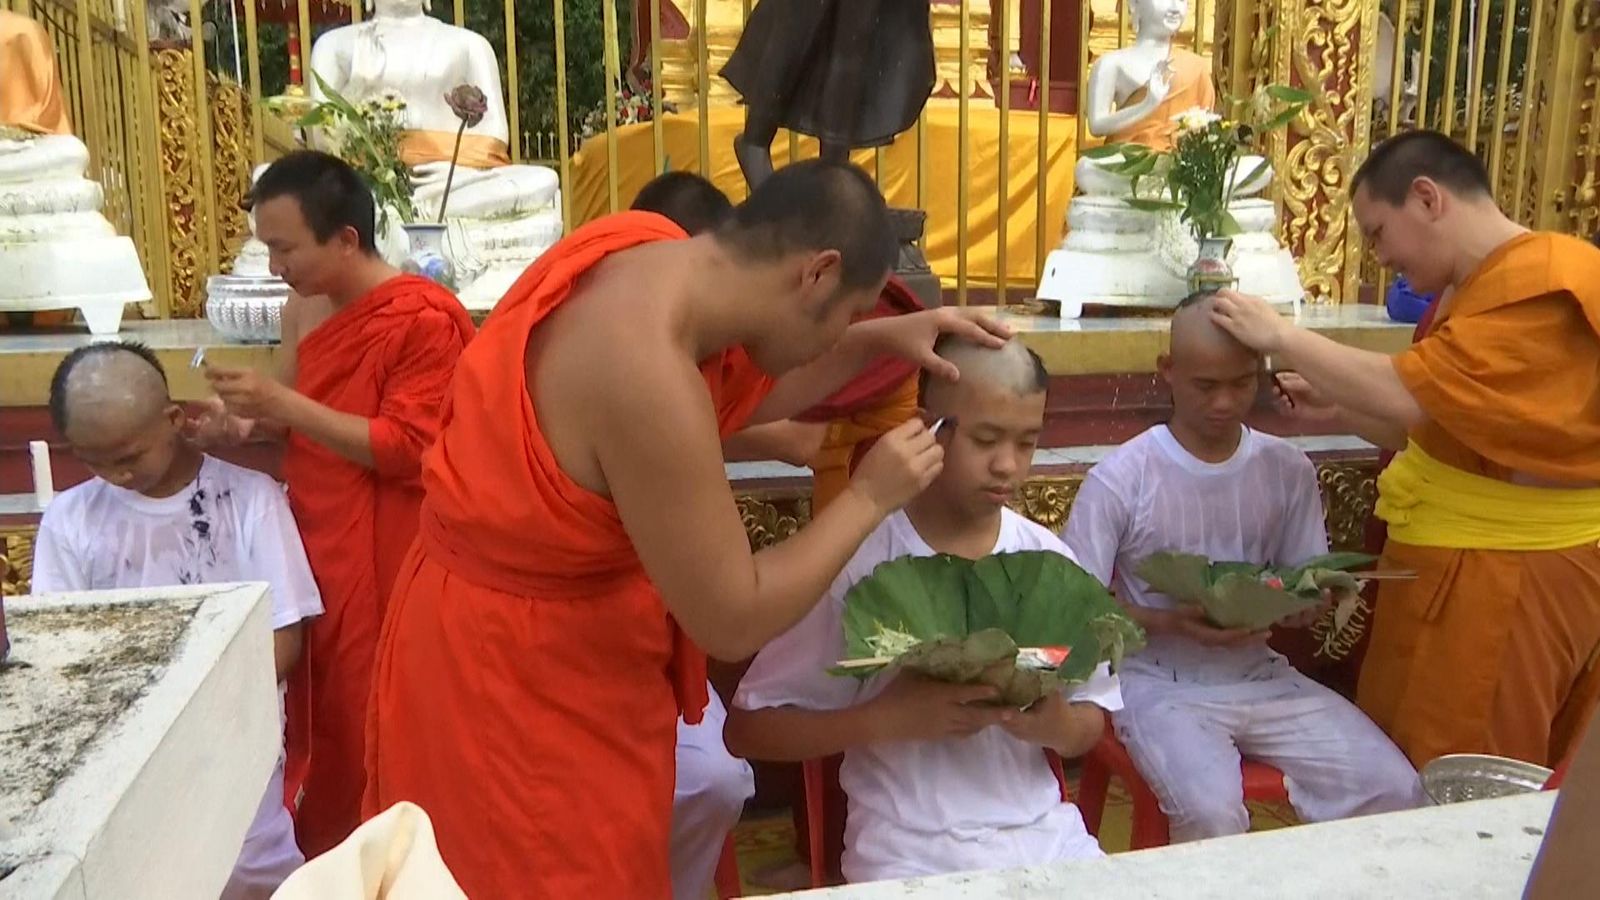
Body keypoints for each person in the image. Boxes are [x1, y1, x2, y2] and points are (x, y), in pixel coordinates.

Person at [361, 159, 1009, 898]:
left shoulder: (654, 252)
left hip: (554, 644)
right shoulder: (643, 367)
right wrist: (869, 496)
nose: (836, 341)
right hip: (512, 679)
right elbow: (734, 617)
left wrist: (884, 338)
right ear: (818, 274)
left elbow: (741, 387)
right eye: (844, 318)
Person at [1210, 130, 1600, 770]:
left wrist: (1282, 335)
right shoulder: (1469, 290)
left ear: (1427, 198)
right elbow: (1446, 431)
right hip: (1452, 564)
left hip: (1512, 573)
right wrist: (1339, 408)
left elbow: (1409, 398)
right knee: (1401, 754)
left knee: (1470, 767)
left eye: (1377, 231)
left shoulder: (1544, 282)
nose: (1378, 255)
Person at [725, 336, 1114, 883]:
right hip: (907, 853)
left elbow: (1091, 722)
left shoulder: (1049, 563)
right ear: (930, 428)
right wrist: (884, 719)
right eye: (985, 439)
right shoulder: (860, 561)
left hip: (1046, 838)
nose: (1007, 465)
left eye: (1026, 442)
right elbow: (747, 730)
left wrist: (1057, 726)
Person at [193, 150, 476, 857]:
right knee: (331, 718)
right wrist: (235, 424)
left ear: (346, 240)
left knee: (388, 718)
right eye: (268, 248)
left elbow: (413, 449)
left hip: (392, 548)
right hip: (313, 538)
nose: (275, 265)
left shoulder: (421, 317)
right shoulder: (303, 305)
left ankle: (406, 868)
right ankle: (338, 868)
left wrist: (282, 403)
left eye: (285, 248)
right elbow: (287, 414)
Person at [1062, 294, 1423, 842]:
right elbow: (1075, 605)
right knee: (1211, 814)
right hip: (1159, 682)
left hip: (1261, 674)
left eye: (1241, 383)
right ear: (1169, 373)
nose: (1225, 402)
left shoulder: (1286, 468)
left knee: (1395, 787)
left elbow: (1304, 581)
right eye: (1206, 386)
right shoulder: (1123, 477)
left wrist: (1306, 604)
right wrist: (1169, 623)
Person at [31, 342, 324, 899]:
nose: (117, 474)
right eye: (95, 460)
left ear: (173, 420)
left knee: (247, 868)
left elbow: (284, 637)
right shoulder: (71, 520)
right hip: (116, 745)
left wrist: (187, 708)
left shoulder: (249, 501)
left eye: (130, 455)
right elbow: (61, 641)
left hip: (231, 734)